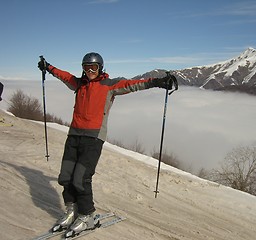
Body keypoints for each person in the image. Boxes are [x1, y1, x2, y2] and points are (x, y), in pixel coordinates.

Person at [38, 52, 176, 236]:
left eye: (93, 67)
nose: (89, 71)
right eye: (86, 67)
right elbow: (64, 75)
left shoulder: (109, 85)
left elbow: (132, 84)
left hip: (93, 138)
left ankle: (87, 216)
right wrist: (48, 67)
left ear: (100, 68)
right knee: (66, 175)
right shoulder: (79, 84)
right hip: (74, 135)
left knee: (81, 178)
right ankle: (72, 211)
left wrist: (157, 82)